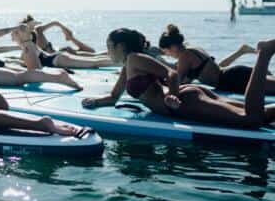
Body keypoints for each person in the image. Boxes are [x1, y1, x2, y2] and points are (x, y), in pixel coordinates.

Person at [82, 28, 275, 130]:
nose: (107, 50)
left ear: (121, 46)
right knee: (263, 116)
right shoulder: (129, 65)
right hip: (186, 98)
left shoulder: (135, 58)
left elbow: (171, 74)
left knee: (251, 119)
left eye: (109, 46)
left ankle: (264, 53)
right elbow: (114, 96)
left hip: (183, 102)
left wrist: (172, 98)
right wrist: (95, 101)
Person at [158, 24, 275, 95]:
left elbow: (177, 83)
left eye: (166, 52)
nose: (168, 55)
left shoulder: (185, 56)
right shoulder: (192, 49)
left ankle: (266, 48)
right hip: (232, 76)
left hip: (233, 79)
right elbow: (186, 79)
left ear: (172, 47)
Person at [13, 23, 110, 71]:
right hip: (57, 57)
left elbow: (29, 66)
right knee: (95, 59)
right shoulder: (31, 46)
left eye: (15, 36)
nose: (13, 39)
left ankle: (118, 62)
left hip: (57, 60)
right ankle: (117, 60)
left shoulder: (28, 48)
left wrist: (12, 62)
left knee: (94, 62)